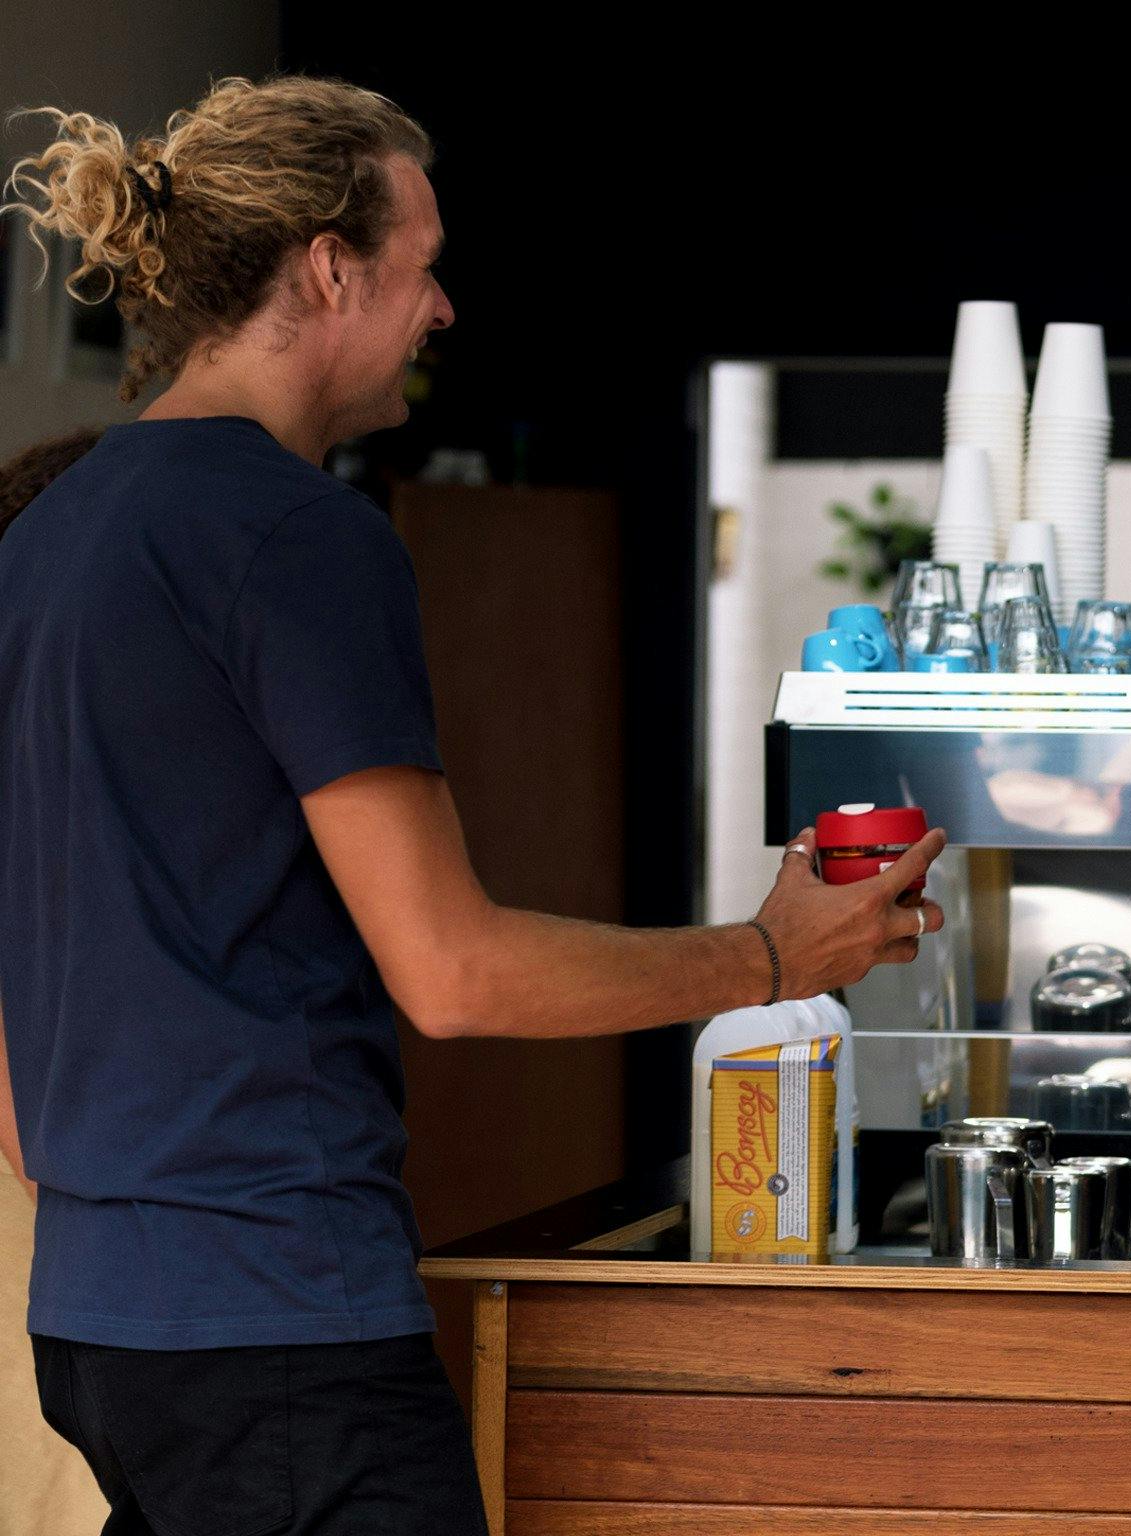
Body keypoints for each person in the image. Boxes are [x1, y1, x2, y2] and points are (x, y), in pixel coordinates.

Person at [0, 77, 941, 1535]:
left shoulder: (44, 537)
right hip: (280, 1325)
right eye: (424, 264)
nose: (443, 308)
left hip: (101, 1328)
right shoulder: (297, 537)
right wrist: (767, 960)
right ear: (331, 266)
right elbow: (450, 970)